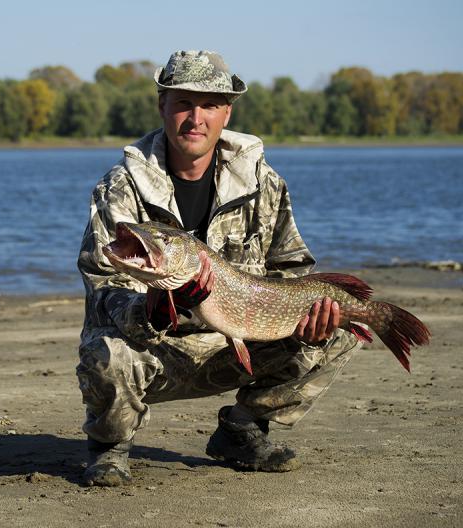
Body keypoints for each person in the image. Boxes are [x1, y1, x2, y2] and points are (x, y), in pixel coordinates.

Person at [76, 50, 361, 486]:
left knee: (338, 333)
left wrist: (305, 318)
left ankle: (242, 430)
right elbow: (103, 287)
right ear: (162, 107)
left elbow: (292, 268)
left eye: (209, 104)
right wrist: (158, 306)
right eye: (183, 103)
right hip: (155, 350)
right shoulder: (121, 187)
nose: (196, 118)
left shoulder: (263, 182)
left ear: (226, 112)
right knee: (106, 352)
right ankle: (110, 446)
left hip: (233, 342)